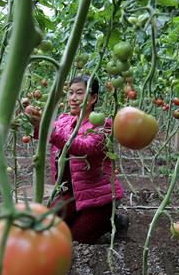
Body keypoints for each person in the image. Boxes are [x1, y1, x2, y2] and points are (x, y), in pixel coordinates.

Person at [26, 75, 128, 244]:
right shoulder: (64, 120)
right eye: (71, 93)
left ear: (93, 98)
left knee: (75, 239)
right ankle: (80, 217)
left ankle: (115, 221)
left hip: (97, 198)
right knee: (46, 227)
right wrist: (36, 121)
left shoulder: (103, 124)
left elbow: (84, 147)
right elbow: (48, 135)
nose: (73, 98)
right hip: (70, 194)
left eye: (79, 93)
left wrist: (49, 129)